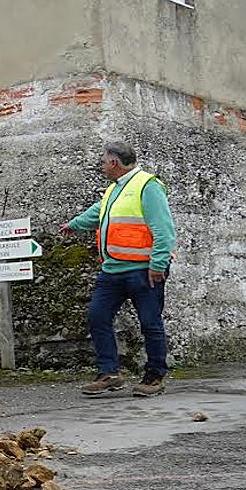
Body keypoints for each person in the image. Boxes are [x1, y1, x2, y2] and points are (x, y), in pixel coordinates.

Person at [60, 141, 177, 397]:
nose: (101, 167)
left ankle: (154, 376)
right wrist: (74, 224)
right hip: (112, 270)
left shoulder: (148, 186)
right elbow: (98, 213)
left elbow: (163, 229)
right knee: (97, 316)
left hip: (143, 270)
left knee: (150, 323)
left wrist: (158, 264)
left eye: (103, 162)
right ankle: (109, 373)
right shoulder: (114, 189)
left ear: (114, 163)